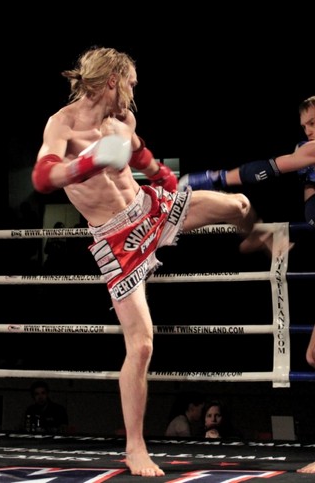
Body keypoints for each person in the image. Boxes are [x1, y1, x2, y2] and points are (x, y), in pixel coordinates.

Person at [30, 46, 263, 477]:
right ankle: (135, 448)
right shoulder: (62, 124)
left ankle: (256, 238)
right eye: (131, 85)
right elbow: (43, 177)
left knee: (240, 205)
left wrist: (161, 176)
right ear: (113, 80)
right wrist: (88, 162)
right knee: (141, 345)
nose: (133, 94)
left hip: (150, 208)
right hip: (117, 239)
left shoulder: (122, 121)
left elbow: (138, 152)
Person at [180, 95, 315, 474]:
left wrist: (213, 178)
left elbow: (265, 170)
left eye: (312, 123)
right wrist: (310, 181)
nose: (307, 131)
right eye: (304, 126)